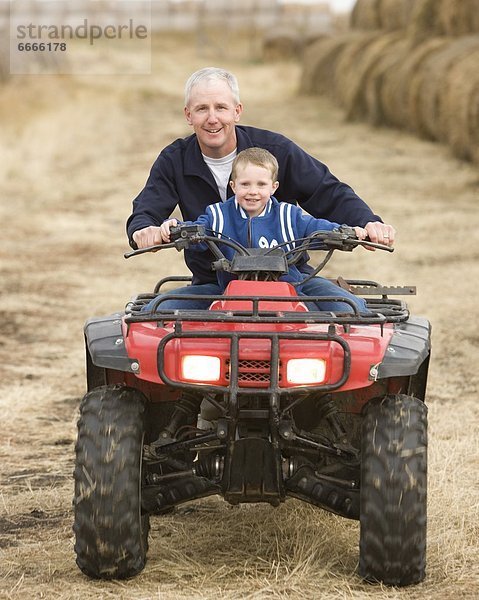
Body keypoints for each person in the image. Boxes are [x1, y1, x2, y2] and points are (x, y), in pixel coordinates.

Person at [127, 67, 395, 294]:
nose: (212, 119)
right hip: (214, 282)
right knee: (158, 321)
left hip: (290, 278)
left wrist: (366, 222)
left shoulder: (274, 151)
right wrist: (145, 231)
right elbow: (147, 209)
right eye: (201, 109)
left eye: (221, 107)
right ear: (188, 115)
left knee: (353, 315)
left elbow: (326, 190)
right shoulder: (175, 160)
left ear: (237, 111)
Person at [148, 147, 369, 313]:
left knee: (350, 309)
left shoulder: (288, 215)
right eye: (245, 185)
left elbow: (316, 229)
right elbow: (199, 230)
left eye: (261, 185)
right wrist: (177, 229)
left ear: (274, 187)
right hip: (227, 292)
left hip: (291, 290)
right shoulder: (218, 215)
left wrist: (346, 233)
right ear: (233, 186)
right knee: (158, 308)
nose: (253, 192)